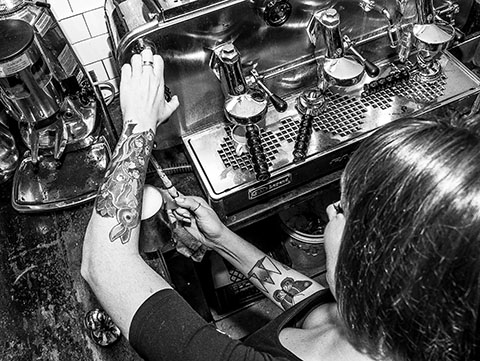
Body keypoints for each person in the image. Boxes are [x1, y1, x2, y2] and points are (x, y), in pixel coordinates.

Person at [81, 49, 480, 361]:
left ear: (374, 269)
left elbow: (104, 266)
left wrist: (138, 123)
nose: (331, 212)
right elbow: (314, 306)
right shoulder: (387, 328)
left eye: (345, 209)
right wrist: (222, 241)